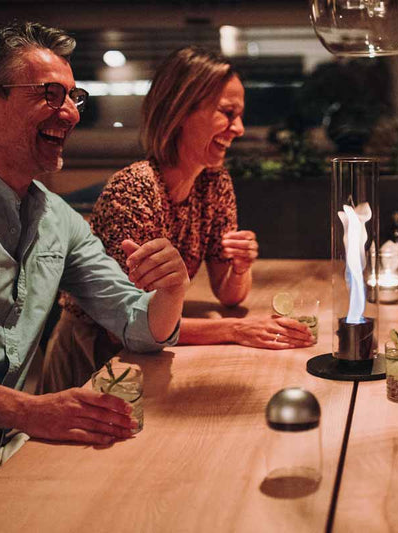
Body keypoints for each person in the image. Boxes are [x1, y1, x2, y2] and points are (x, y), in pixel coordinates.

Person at [0, 22, 190, 527]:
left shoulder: (59, 218)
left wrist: (171, 288)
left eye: (75, 96)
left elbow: (137, 324)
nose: (70, 113)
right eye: (50, 95)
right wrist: (30, 411)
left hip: (17, 451)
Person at [38, 46, 314, 393]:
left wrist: (241, 267)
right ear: (181, 112)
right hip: (95, 354)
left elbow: (229, 295)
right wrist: (234, 331)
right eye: (228, 113)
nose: (239, 129)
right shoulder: (136, 188)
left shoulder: (214, 181)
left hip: (147, 351)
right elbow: (128, 323)